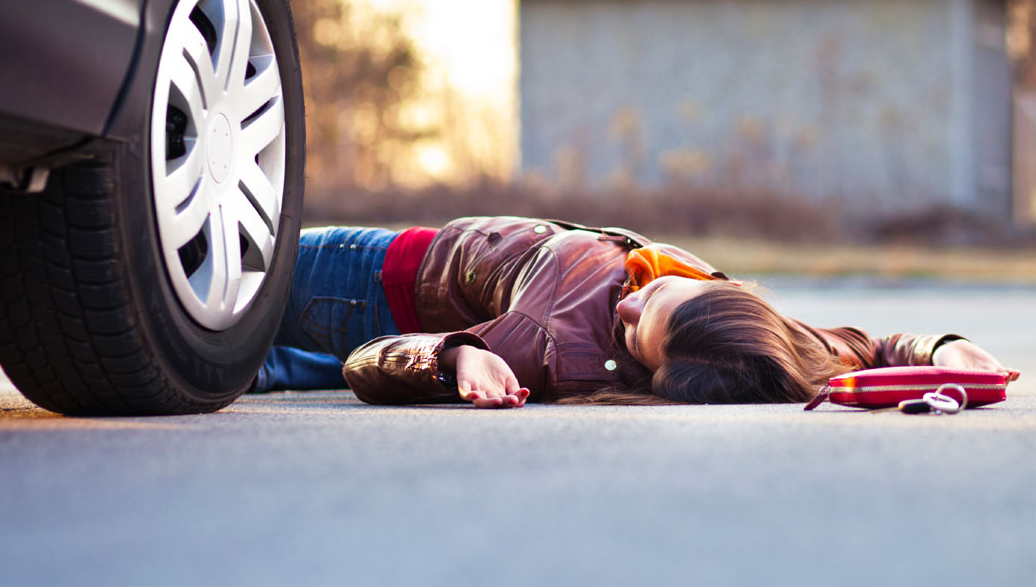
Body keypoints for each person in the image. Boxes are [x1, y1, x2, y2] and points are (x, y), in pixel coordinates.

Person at [253, 217, 1020, 408]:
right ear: (728, 301)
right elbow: (862, 347)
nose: (629, 302)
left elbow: (368, 361)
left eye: (635, 334)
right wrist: (942, 345)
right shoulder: (757, 335)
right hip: (392, 267)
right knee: (222, 365)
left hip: (356, 281)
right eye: (656, 298)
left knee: (161, 293)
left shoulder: (538, 343)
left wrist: (454, 357)